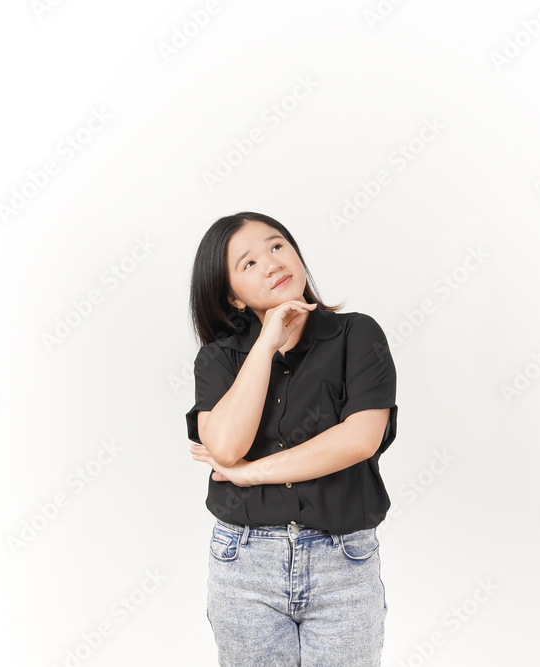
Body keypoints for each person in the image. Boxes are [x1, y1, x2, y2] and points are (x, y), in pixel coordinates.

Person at [185, 211, 399, 666]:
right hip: (245, 565)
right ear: (232, 297)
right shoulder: (219, 359)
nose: (271, 263)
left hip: (344, 562)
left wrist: (250, 474)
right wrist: (266, 343)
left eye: (277, 245)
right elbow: (225, 447)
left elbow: (359, 440)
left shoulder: (357, 335)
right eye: (248, 263)